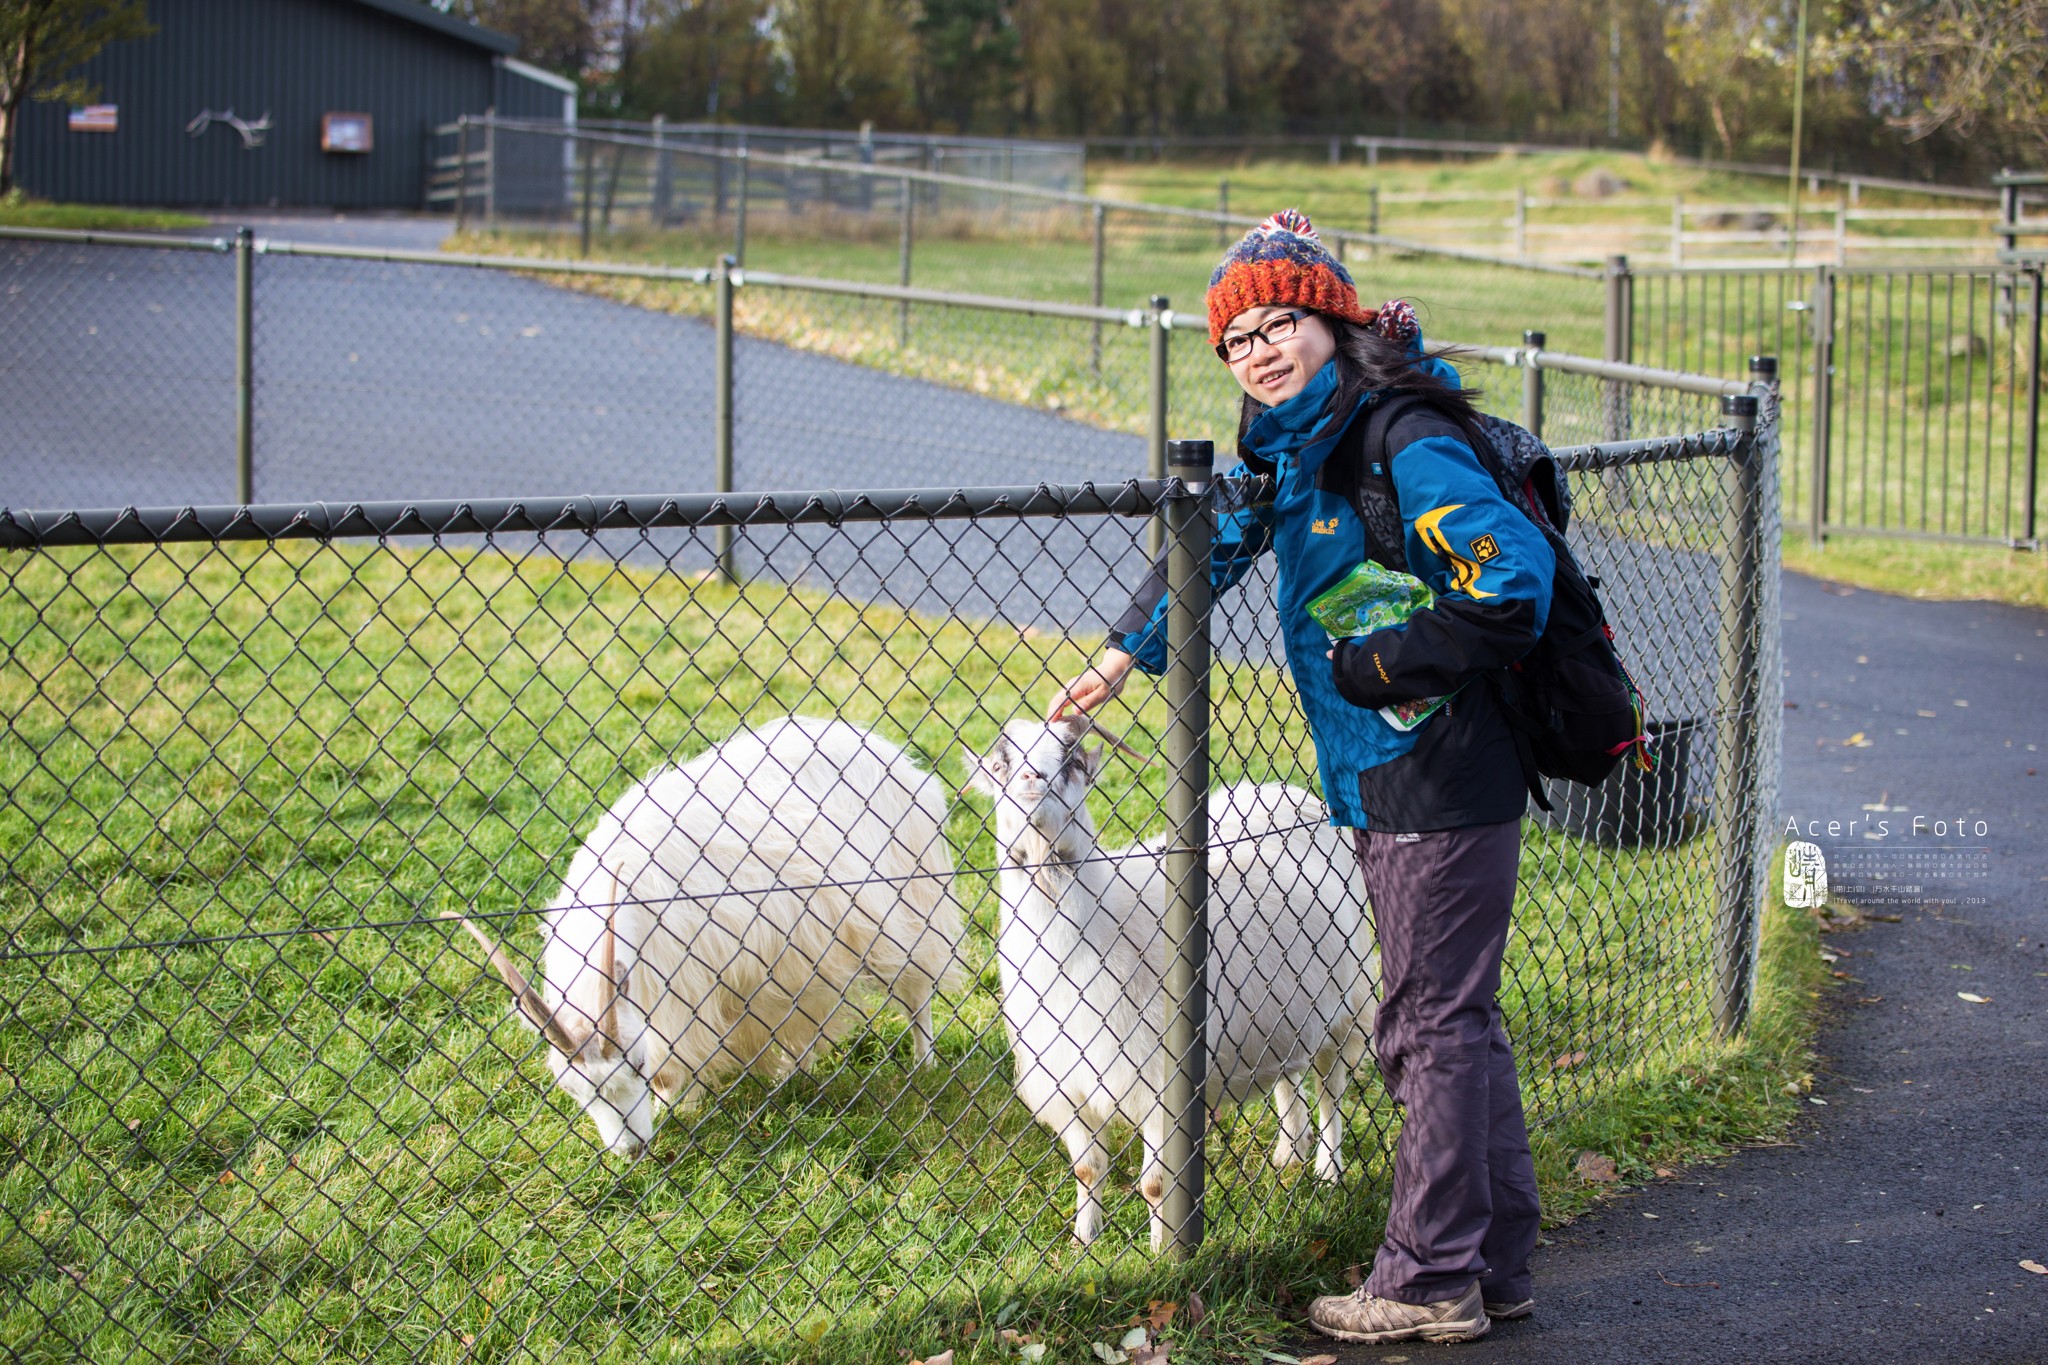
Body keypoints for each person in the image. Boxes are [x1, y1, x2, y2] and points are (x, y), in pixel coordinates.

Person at [1049, 209, 1551, 1346]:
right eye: (1237, 341)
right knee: (1453, 1021)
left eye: (1281, 323)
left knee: (1424, 1026)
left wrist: (1378, 662)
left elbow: (1507, 582)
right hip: (1387, 771)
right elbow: (1212, 547)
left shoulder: (1395, 434)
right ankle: (1496, 1265)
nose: (1260, 351)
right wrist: (1122, 656)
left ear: (1330, 320)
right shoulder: (1293, 448)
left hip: (1438, 765)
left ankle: (1427, 1280)